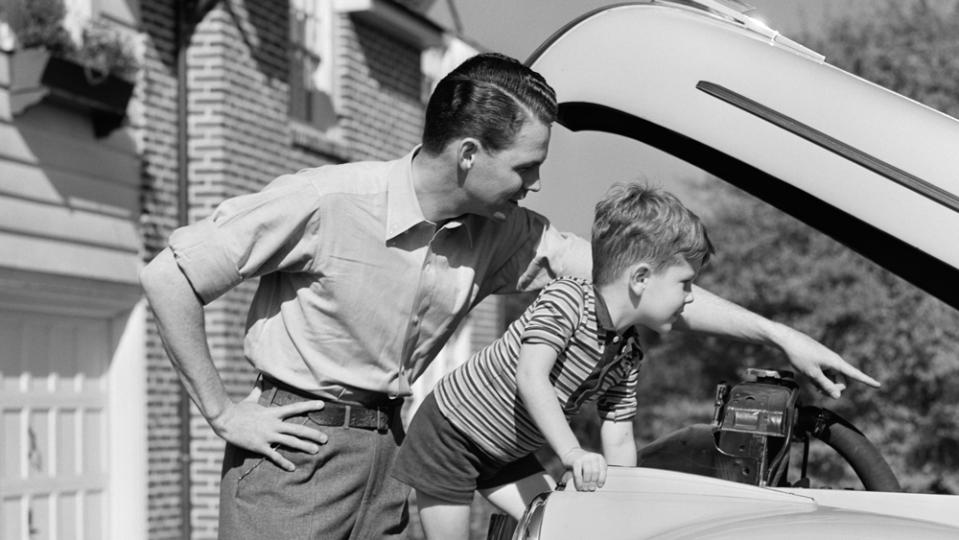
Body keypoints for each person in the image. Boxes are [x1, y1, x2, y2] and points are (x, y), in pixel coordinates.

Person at [139, 52, 878, 540]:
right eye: (526, 166)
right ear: (469, 154)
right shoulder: (323, 200)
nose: (536, 184)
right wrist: (222, 409)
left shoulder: (500, 232)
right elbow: (169, 274)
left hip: (395, 452)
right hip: (294, 457)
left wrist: (775, 334)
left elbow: (639, 280)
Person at [392, 184, 713, 539]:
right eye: (685, 283)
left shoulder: (627, 352)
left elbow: (619, 433)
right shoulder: (568, 299)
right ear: (640, 278)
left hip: (507, 451)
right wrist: (572, 452)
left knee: (559, 528)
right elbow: (531, 376)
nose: (690, 298)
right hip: (452, 435)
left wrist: (625, 504)